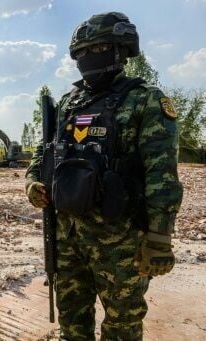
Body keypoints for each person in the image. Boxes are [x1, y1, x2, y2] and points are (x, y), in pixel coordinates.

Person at [25, 12, 183, 340]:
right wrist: (32, 180)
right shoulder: (70, 102)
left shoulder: (145, 99)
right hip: (68, 235)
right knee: (72, 323)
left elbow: (161, 173)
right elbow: (46, 151)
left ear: (118, 49)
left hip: (121, 239)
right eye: (79, 53)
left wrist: (159, 238)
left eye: (93, 49)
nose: (85, 59)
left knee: (122, 326)